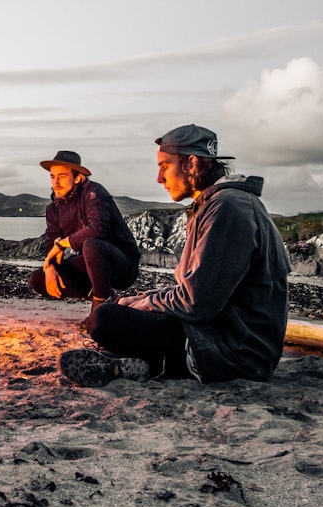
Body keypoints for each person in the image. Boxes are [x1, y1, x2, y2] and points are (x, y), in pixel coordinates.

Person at [59, 124, 291, 387]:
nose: (159, 178)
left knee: (105, 319)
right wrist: (142, 298)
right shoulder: (217, 204)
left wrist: (143, 305)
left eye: (164, 166)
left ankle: (151, 361)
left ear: (191, 163)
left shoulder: (227, 208)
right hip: (221, 335)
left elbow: (196, 302)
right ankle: (145, 364)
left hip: (237, 352)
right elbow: (198, 289)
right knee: (118, 311)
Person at [28, 151, 141, 312]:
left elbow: (97, 229)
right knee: (39, 279)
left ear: (78, 177)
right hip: (91, 265)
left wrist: (61, 244)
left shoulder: (94, 193)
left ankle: (101, 304)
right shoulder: (53, 209)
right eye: (53, 177)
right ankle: (110, 297)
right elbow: (50, 242)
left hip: (122, 265)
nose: (56, 182)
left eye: (62, 176)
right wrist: (50, 268)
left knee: (92, 245)